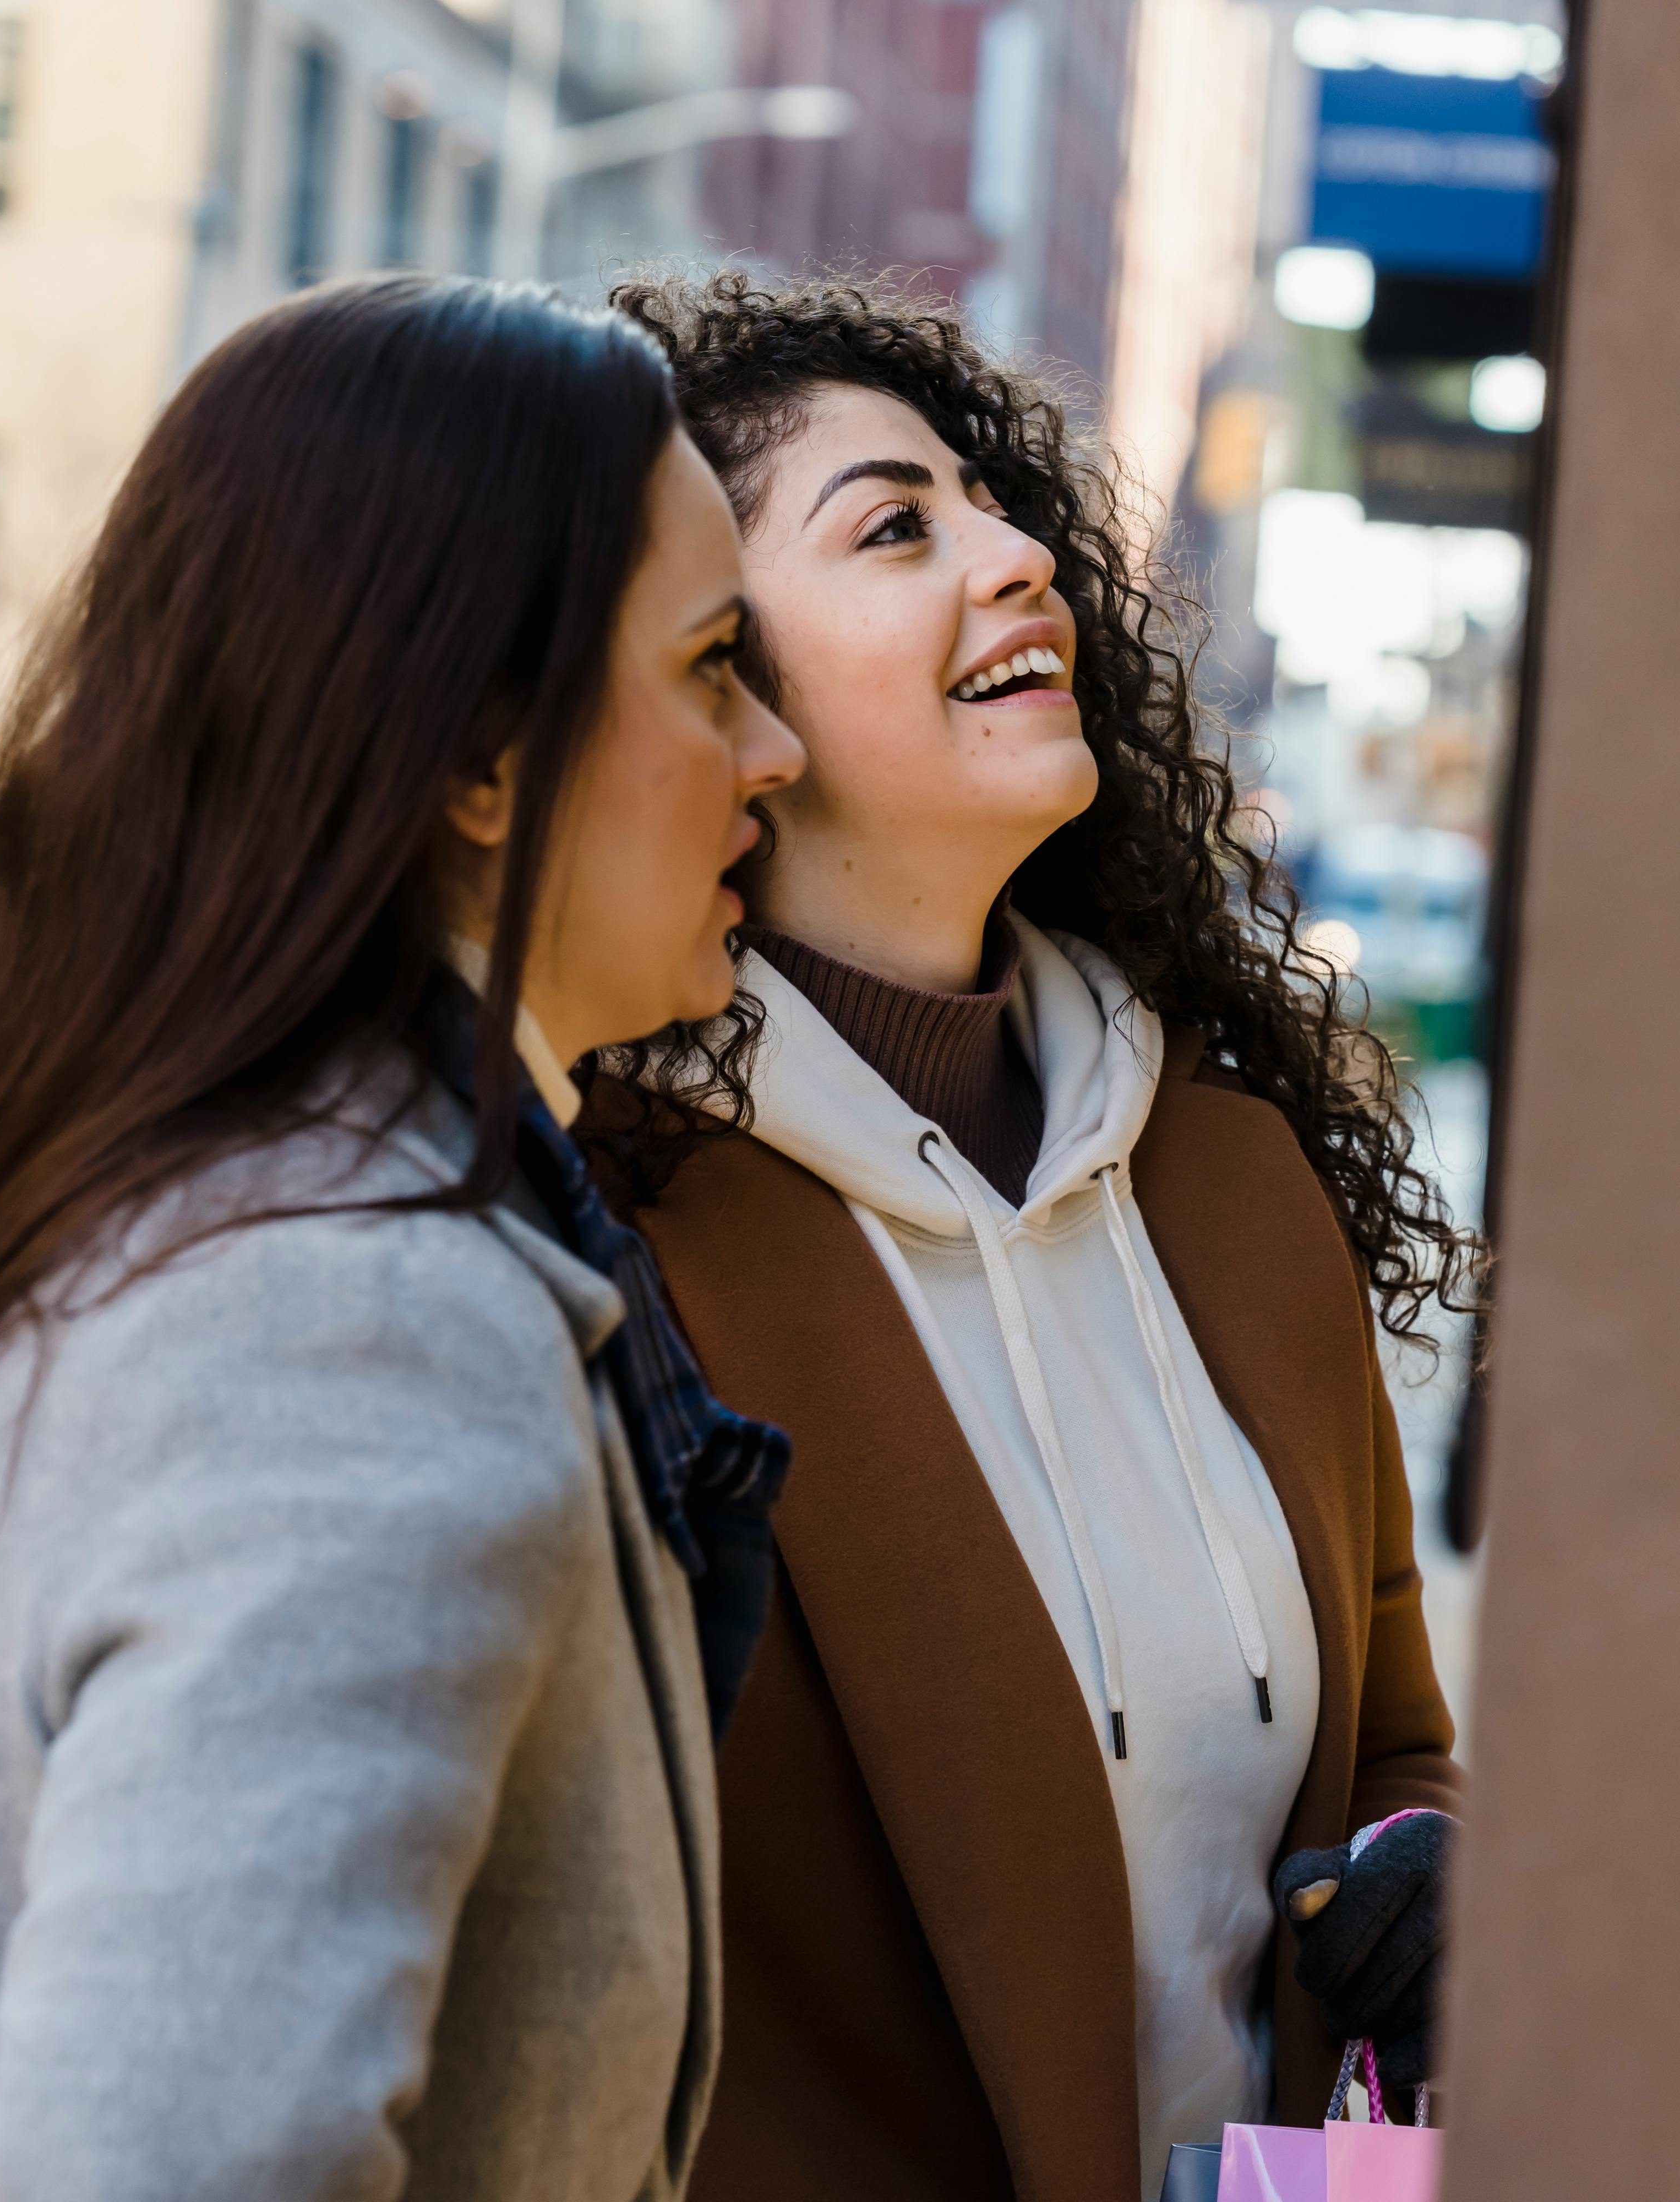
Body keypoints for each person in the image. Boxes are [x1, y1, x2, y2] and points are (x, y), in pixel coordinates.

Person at [0, 276, 804, 2202]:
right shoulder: (355, 1322)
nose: (775, 753)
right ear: (482, 760)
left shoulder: (162, 1204)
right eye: (713, 665)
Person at [592, 269, 1476, 2202]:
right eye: (898, 526)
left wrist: (1433, 1881)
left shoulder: (1238, 1189)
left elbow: (1399, 1740)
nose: (1017, 556)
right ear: (701, 668)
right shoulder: (604, 1236)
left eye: (998, 503)